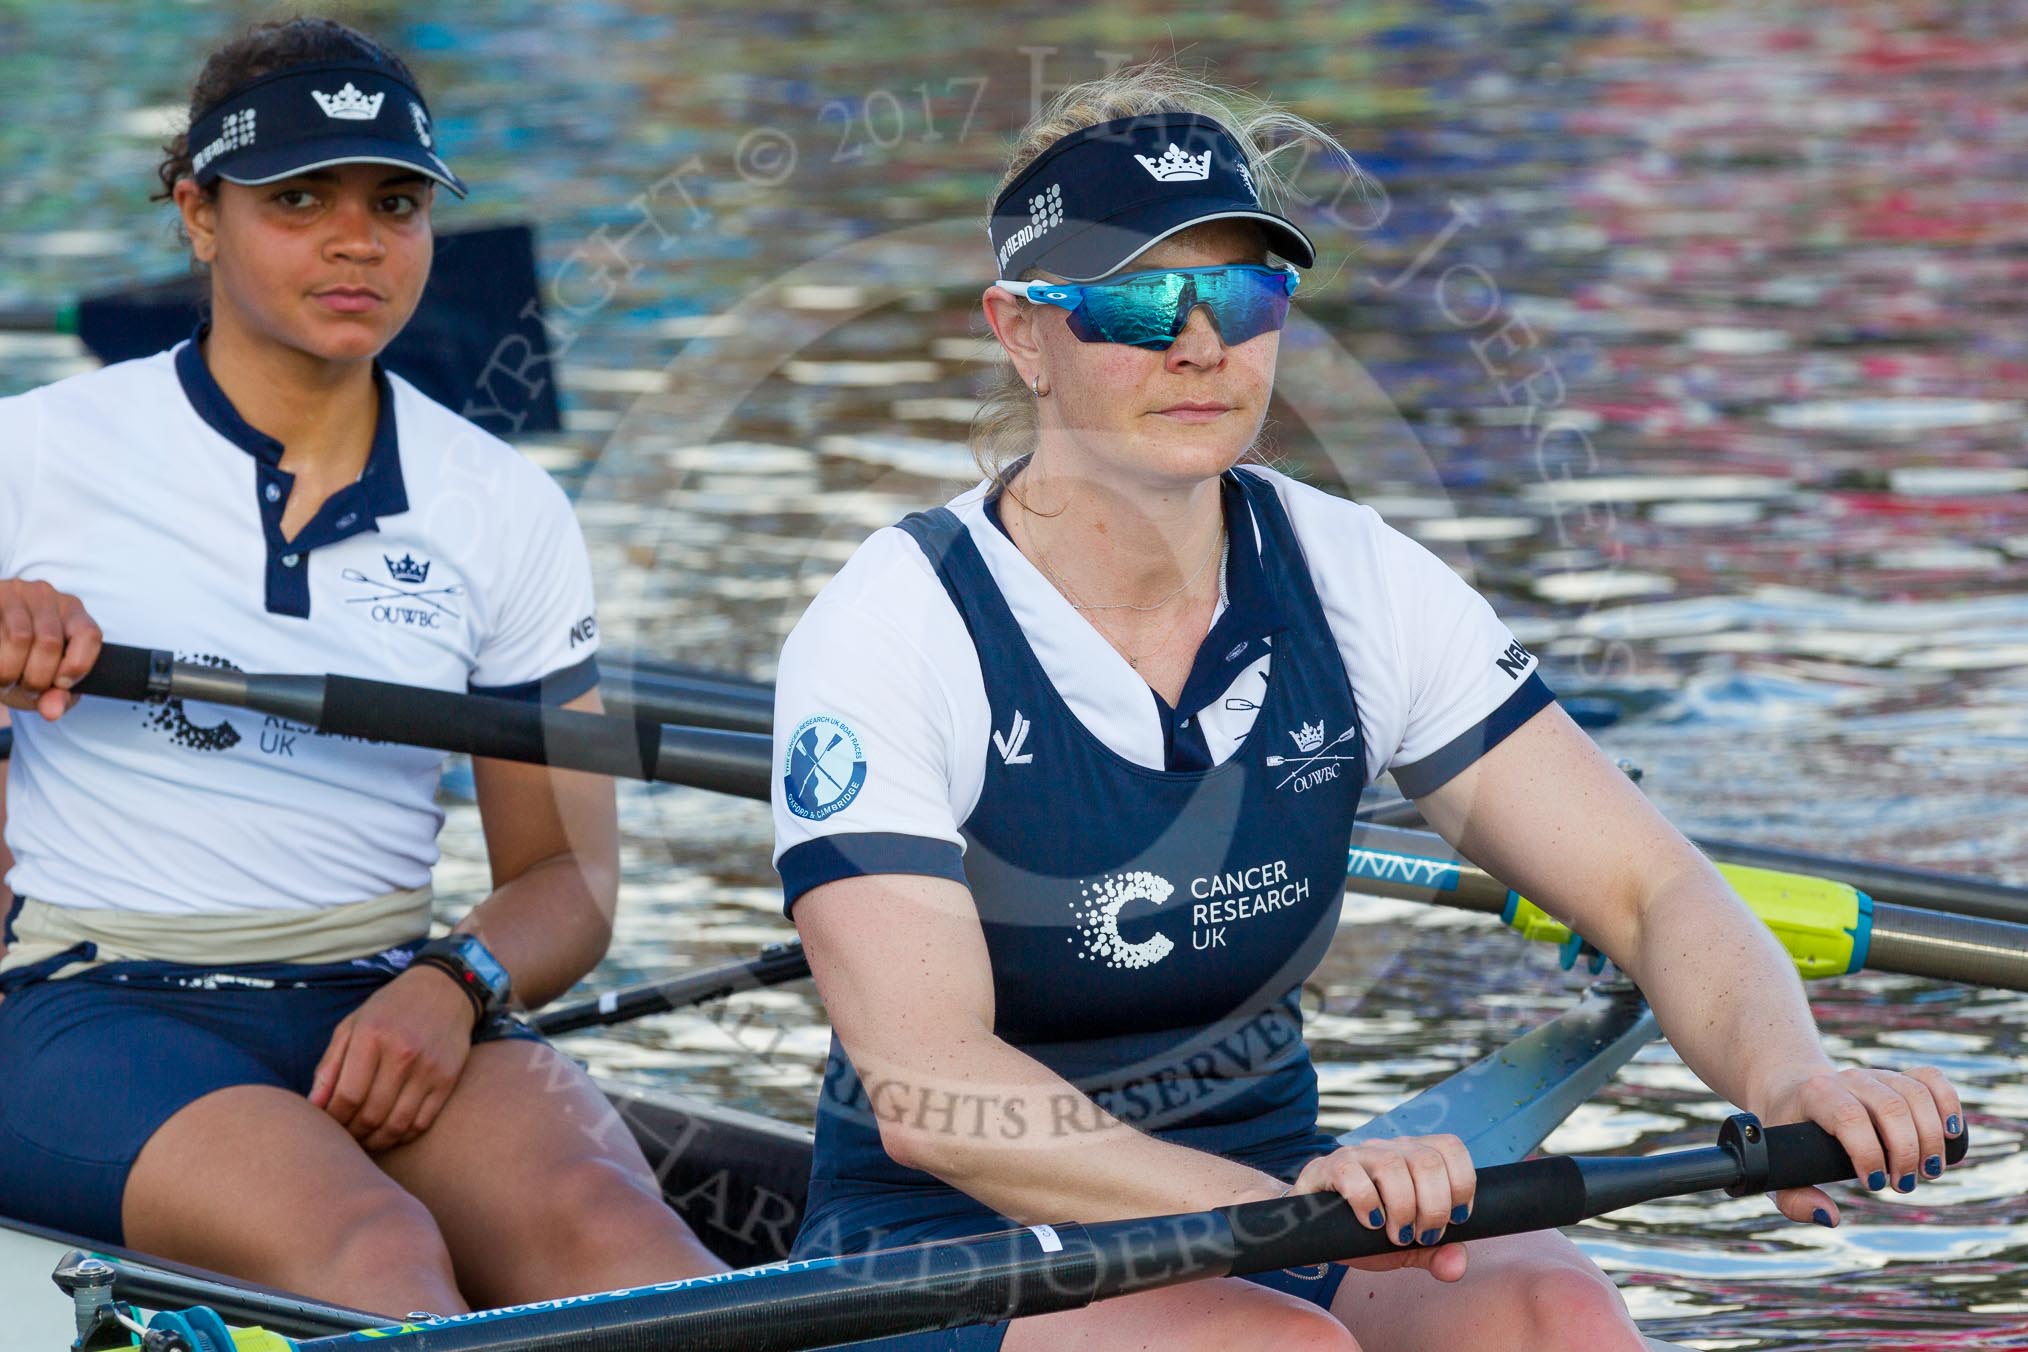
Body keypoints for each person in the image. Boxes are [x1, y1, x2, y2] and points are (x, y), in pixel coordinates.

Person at [770, 64, 1964, 1351]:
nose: (1199, 343)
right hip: (942, 1243)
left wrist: (1794, 1077)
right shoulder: (895, 624)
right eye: (1135, 296)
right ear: (1021, 330)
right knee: (1279, 1348)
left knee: (1555, 1309)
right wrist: (1279, 1211)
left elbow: (1650, 891)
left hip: (1275, 1207)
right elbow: (930, 1087)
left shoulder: (1352, 574)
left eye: (1241, 290)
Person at [0, 17, 722, 1317]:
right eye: (297, 201)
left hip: (381, 998)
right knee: (374, 1260)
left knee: (631, 1260)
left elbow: (565, 877)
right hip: (90, 1001)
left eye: (395, 203)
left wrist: (459, 984)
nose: (355, 241)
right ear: (198, 215)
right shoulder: (36, 457)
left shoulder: (502, 507)